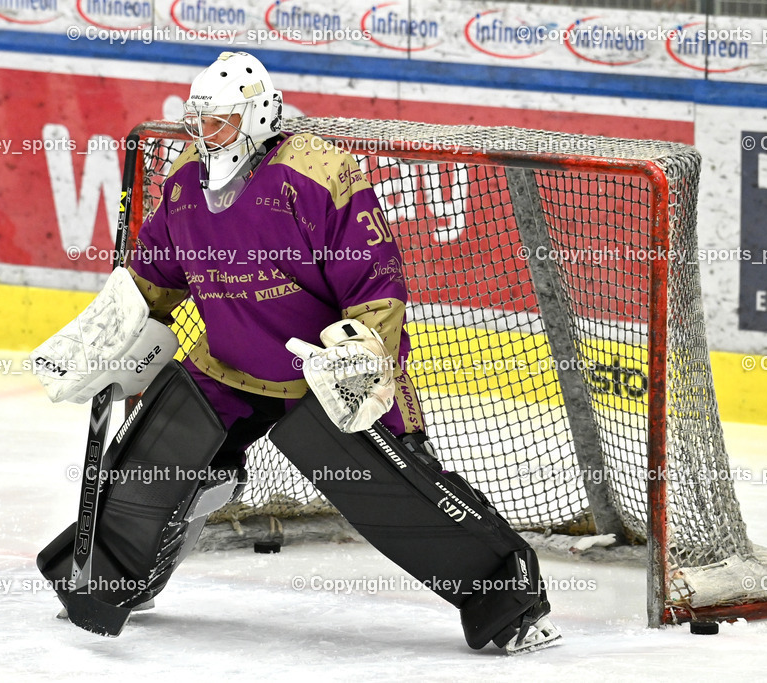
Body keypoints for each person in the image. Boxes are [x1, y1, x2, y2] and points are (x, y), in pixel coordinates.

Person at [32, 51, 561, 654]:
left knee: (401, 495)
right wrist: (108, 334)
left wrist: (361, 359)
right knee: (149, 466)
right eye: (198, 120)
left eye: (220, 121)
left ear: (258, 117)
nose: (205, 134)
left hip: (325, 373)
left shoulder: (317, 174)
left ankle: (513, 606)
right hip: (227, 364)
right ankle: (106, 579)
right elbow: (156, 271)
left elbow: (375, 281)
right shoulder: (185, 181)